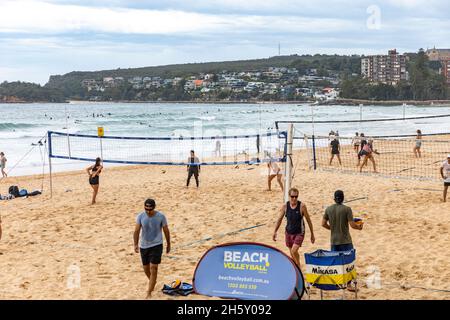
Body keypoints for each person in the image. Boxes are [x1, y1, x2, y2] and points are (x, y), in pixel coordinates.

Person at [133, 198, 171, 299]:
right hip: (144, 246)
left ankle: (149, 292)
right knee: (146, 269)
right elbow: (136, 231)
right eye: (146, 209)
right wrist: (135, 244)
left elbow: (166, 230)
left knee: (153, 268)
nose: (148, 211)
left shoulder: (161, 216)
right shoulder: (140, 216)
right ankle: (153, 281)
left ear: (154, 208)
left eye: (150, 209)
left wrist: (168, 244)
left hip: (157, 245)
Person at [273, 188, 315, 268]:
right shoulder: (285, 206)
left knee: (293, 251)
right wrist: (275, 231)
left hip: (299, 232)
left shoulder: (302, 206)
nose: (294, 198)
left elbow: (309, 221)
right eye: (292, 196)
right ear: (289, 196)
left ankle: (298, 267)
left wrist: (312, 234)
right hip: (288, 232)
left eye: (296, 196)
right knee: (292, 253)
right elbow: (279, 220)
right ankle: (297, 265)